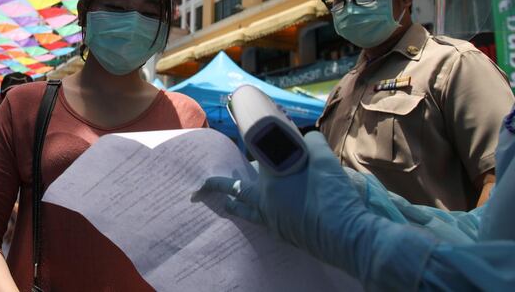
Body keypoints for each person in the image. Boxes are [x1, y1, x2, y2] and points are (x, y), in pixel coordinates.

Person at [0, 0, 207, 291]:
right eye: (116, 7)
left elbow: (200, 237)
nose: (133, 23)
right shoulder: (25, 106)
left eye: (150, 12)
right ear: (84, 12)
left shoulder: (187, 116)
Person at [202, 103, 515, 291]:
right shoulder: (349, 83)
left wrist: (360, 237)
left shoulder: (455, 62)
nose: (346, 6)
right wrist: (365, 196)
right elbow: (485, 232)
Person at [317, 0, 514, 210]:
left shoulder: (453, 64)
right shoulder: (343, 88)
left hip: (434, 251)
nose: (349, 7)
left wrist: (474, 250)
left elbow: (502, 179)